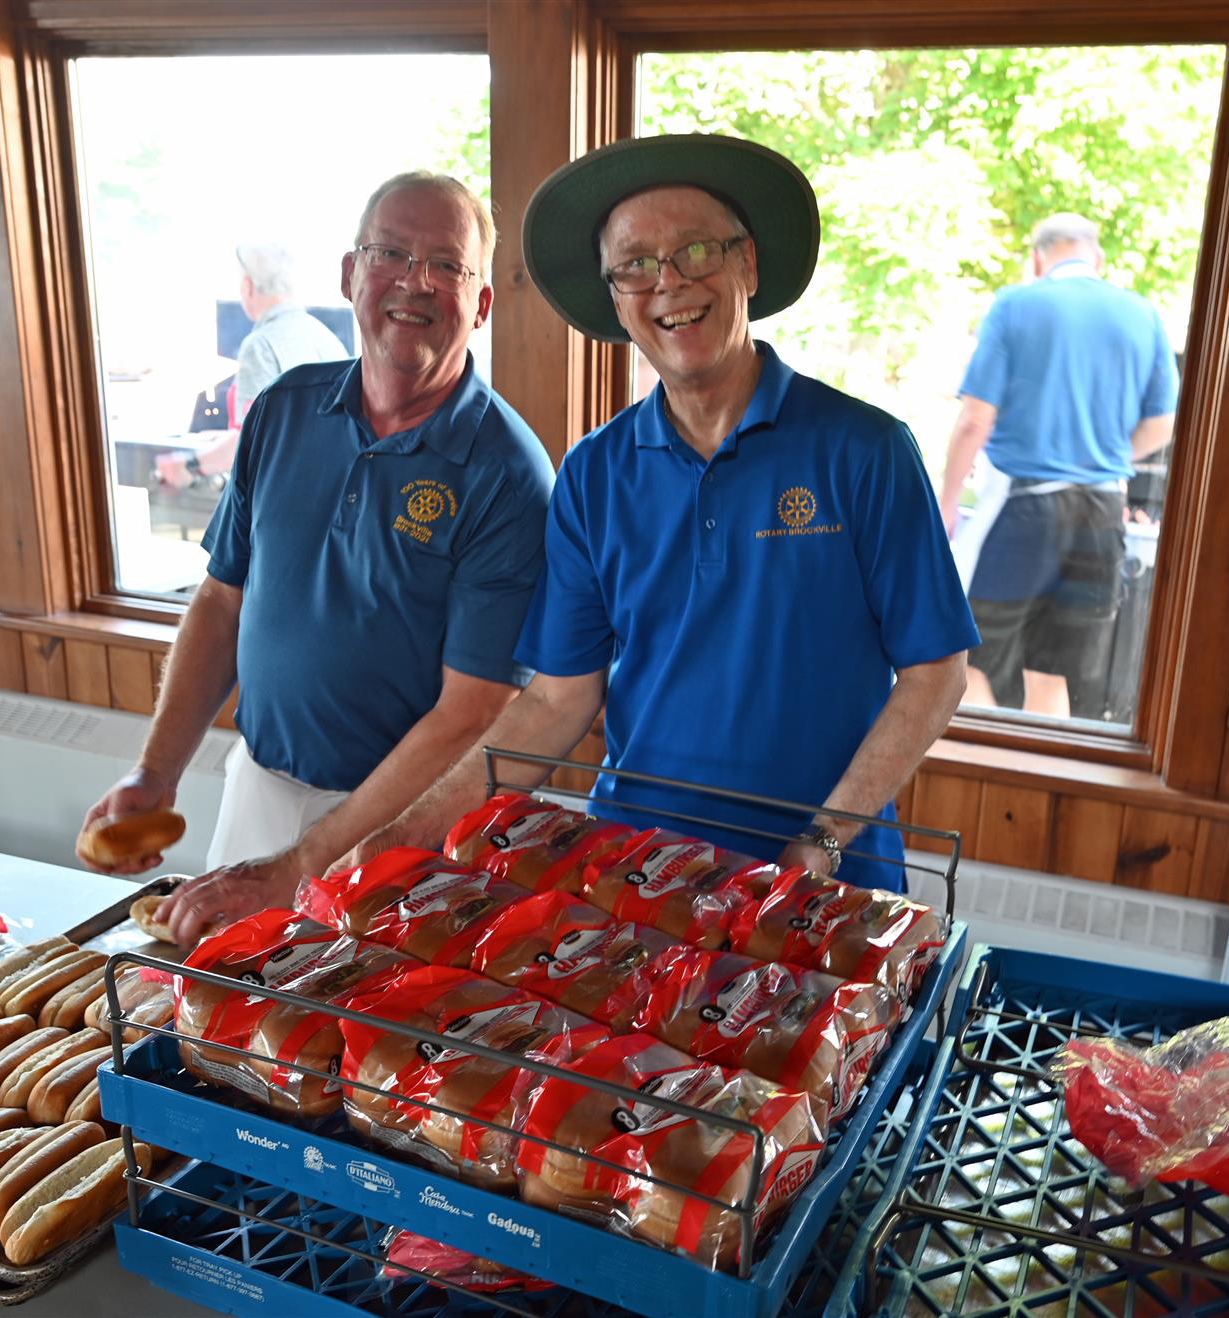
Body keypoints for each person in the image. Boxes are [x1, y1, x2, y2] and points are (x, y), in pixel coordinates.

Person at [336, 134, 977, 896]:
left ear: (747, 264)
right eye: (635, 265)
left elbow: (936, 671)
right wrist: (411, 829)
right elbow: (555, 697)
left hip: (823, 886)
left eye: (696, 251)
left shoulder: (864, 449)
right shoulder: (594, 473)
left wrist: (822, 841)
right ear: (614, 297)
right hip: (638, 883)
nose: (668, 283)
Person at [84, 172, 554, 948]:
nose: (414, 281)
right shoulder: (282, 410)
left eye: (447, 263)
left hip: (405, 833)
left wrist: (306, 861)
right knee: (215, 1043)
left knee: (351, 1057)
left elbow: (471, 710)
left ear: (482, 303)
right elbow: (222, 603)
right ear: (349, 275)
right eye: (392, 253)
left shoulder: (508, 472)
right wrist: (155, 772)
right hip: (258, 792)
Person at [936, 213, 1178, 717]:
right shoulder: (1143, 314)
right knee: (1050, 674)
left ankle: (992, 779)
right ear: (1097, 257)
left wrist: (947, 501)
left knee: (968, 664)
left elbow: (974, 420)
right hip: (1103, 514)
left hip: (1026, 512)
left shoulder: (1017, 304)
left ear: (1037, 258)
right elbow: (1162, 426)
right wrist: (1100, 459)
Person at [155, 242, 347, 488]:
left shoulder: (260, 345)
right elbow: (294, 429)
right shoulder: (322, 336)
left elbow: (249, 443)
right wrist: (226, 438)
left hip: (284, 494)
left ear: (247, 286)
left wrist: (187, 466)